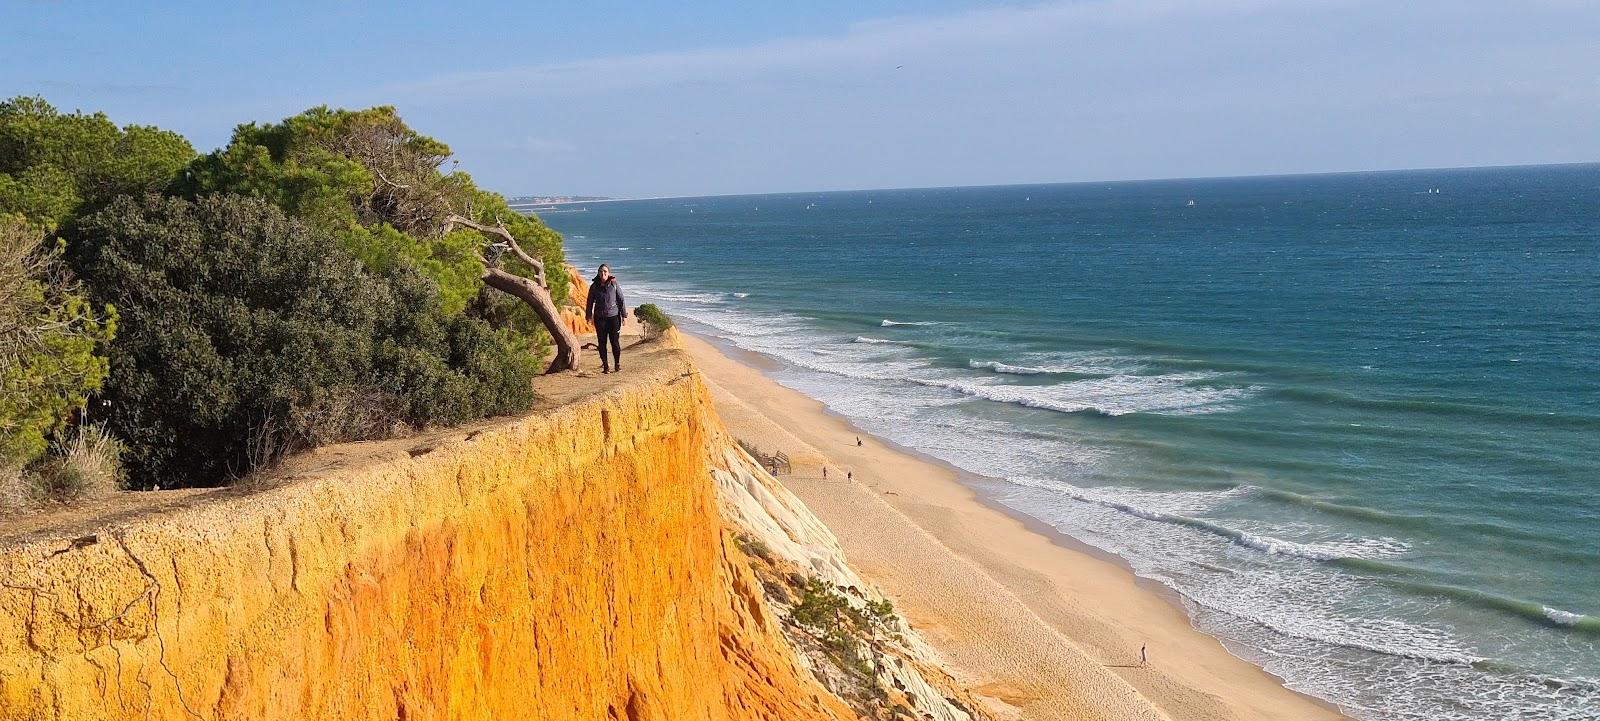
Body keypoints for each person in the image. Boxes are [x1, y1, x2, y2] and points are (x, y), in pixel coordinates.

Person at [584, 263, 627, 373]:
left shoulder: (614, 284)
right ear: (598, 273)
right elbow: (589, 302)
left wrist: (624, 316)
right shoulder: (594, 286)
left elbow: (621, 299)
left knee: (615, 342)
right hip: (600, 318)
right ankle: (606, 366)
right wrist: (588, 316)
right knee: (602, 343)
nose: (603, 273)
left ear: (609, 273)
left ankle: (617, 364)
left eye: (605, 271)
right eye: (601, 271)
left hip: (614, 318)